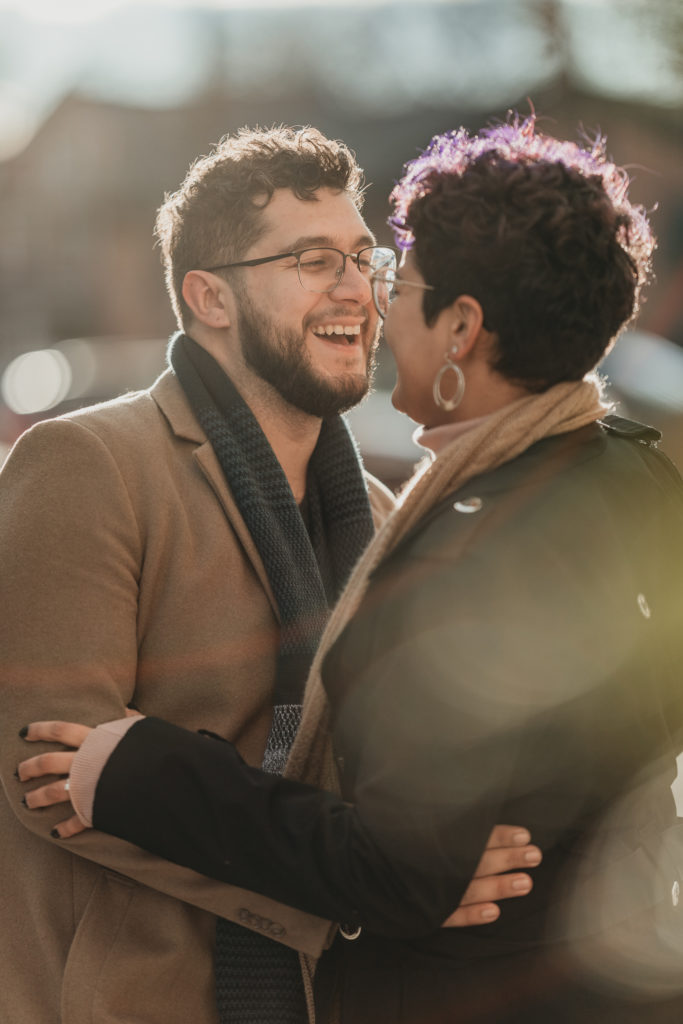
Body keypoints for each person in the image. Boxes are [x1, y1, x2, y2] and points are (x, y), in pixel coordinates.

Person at [18, 112, 683, 1022]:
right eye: (310, 261)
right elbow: (46, 773)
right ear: (211, 299)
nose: (358, 292)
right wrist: (371, 893)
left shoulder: (391, 518)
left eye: (364, 259)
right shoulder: (85, 464)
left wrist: (407, 865)